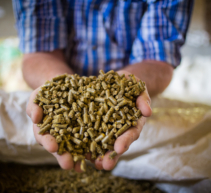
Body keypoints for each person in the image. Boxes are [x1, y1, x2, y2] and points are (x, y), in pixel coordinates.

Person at [12, 0, 193, 172]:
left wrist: (127, 83)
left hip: (139, 102)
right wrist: (58, 83)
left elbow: (157, 59)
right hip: (68, 86)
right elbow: (39, 52)